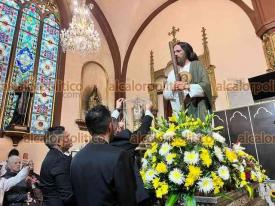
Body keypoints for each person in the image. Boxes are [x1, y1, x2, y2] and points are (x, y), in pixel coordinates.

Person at [71, 105, 137, 206]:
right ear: (110, 126)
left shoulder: (76, 158)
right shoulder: (119, 155)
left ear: (89, 130)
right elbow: (128, 200)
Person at [111, 98, 153, 206]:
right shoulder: (124, 141)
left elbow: (108, 124)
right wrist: (148, 110)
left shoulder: (104, 141)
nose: (121, 125)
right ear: (116, 130)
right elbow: (143, 130)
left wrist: (117, 109)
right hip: (132, 193)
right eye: (119, 127)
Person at [163, 42, 212, 120]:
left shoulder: (196, 65)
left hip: (197, 112)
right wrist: (172, 88)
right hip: (180, 115)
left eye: (178, 51)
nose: (175, 54)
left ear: (186, 52)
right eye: (173, 52)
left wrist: (186, 86)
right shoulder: (171, 74)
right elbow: (166, 95)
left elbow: (206, 86)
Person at [39, 126, 74, 206]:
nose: (70, 138)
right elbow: (67, 195)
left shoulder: (51, 155)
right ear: (58, 142)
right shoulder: (59, 160)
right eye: (67, 136)